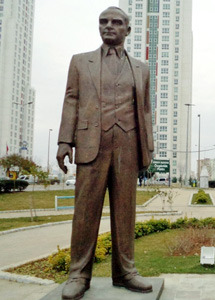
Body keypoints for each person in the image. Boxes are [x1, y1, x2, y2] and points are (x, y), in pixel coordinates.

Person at [56, 7, 154, 300]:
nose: (108, 26)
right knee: (85, 211)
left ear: (127, 29)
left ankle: (126, 272)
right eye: (103, 22)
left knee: (125, 212)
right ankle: (78, 274)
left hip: (127, 145)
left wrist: (147, 149)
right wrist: (64, 141)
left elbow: (145, 111)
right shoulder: (79, 62)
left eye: (116, 22)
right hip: (90, 145)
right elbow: (71, 100)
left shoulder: (142, 69)